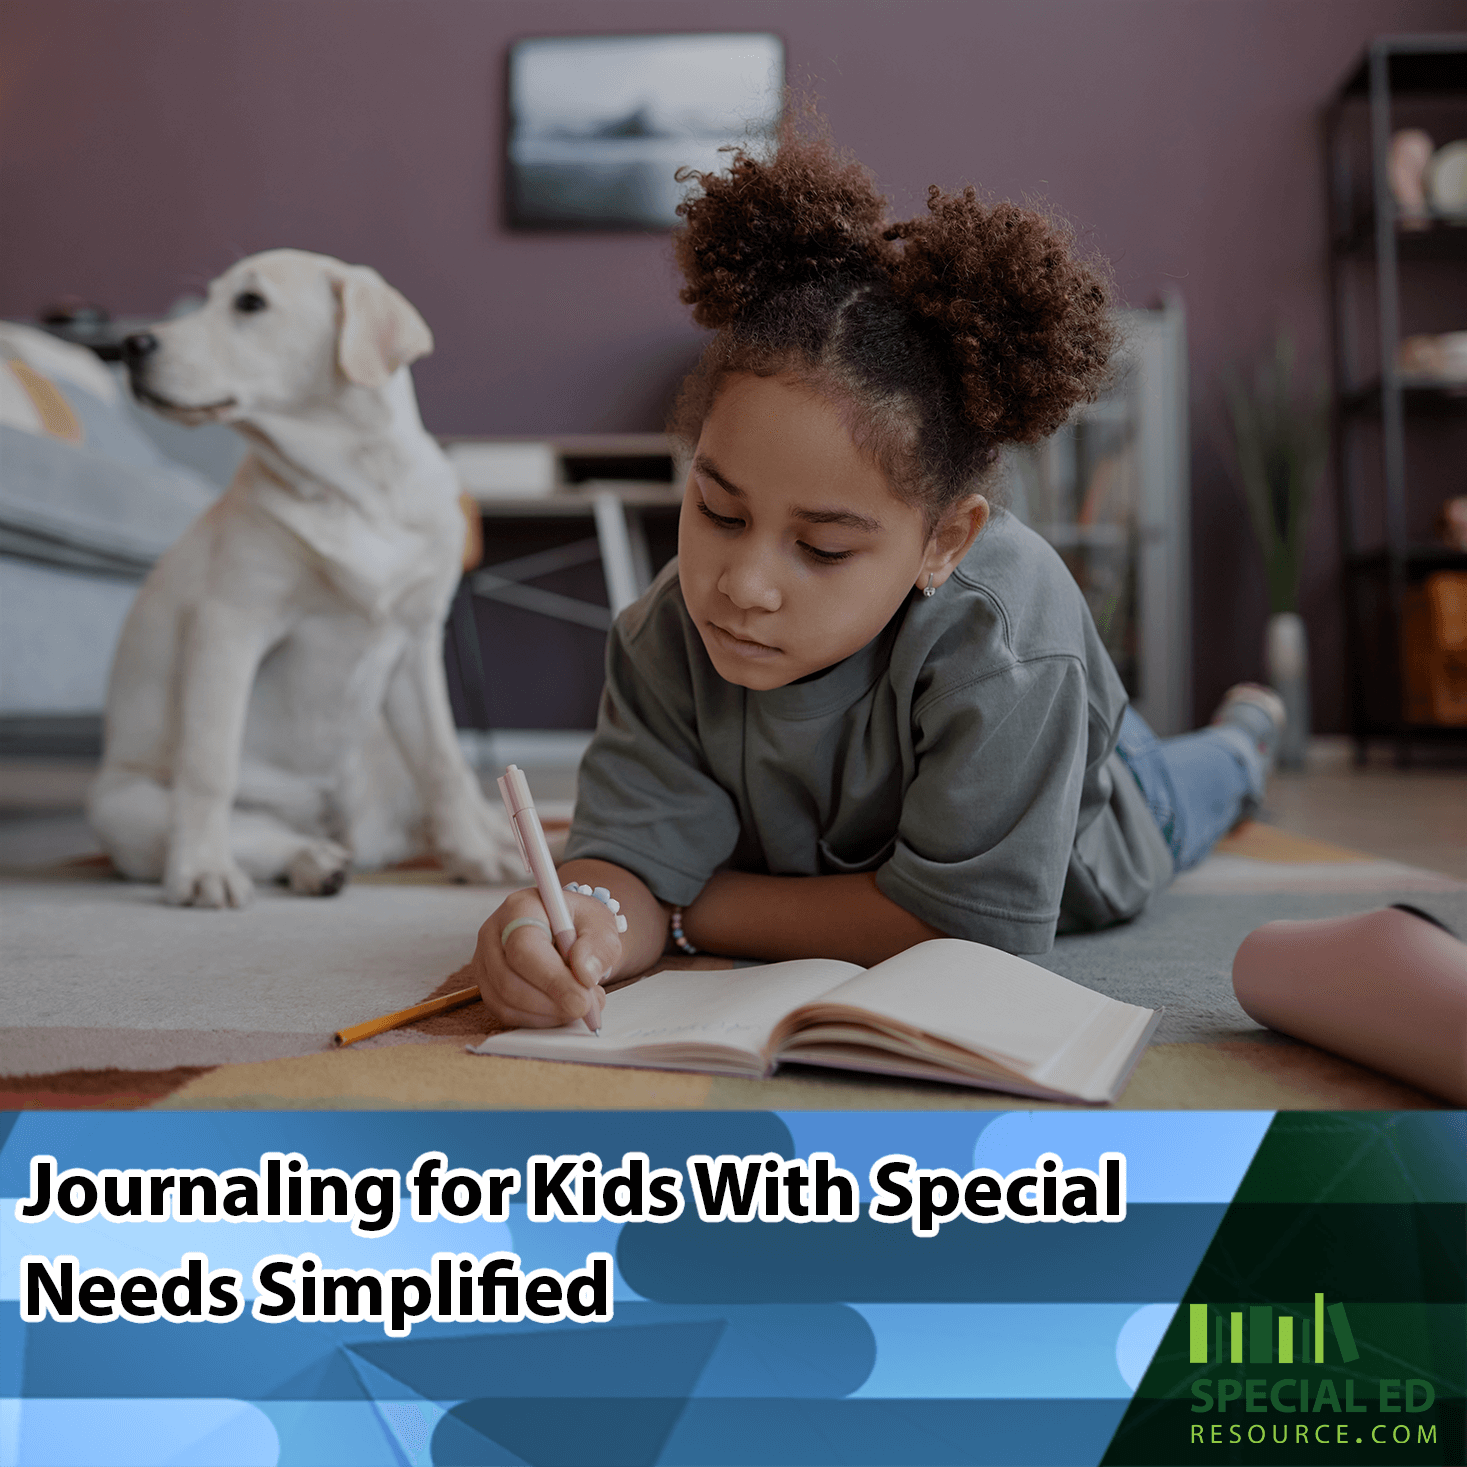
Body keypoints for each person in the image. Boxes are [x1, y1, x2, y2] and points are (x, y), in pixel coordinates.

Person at [466, 129, 1283, 1031]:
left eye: (820, 547)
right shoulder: (665, 631)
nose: (741, 584)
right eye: (719, 512)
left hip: (1107, 811)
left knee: (1198, 785)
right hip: (827, 851)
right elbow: (623, 865)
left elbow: (960, 932)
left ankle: (1248, 733)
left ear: (945, 540)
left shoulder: (1008, 637)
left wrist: (682, 909)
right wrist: (582, 919)